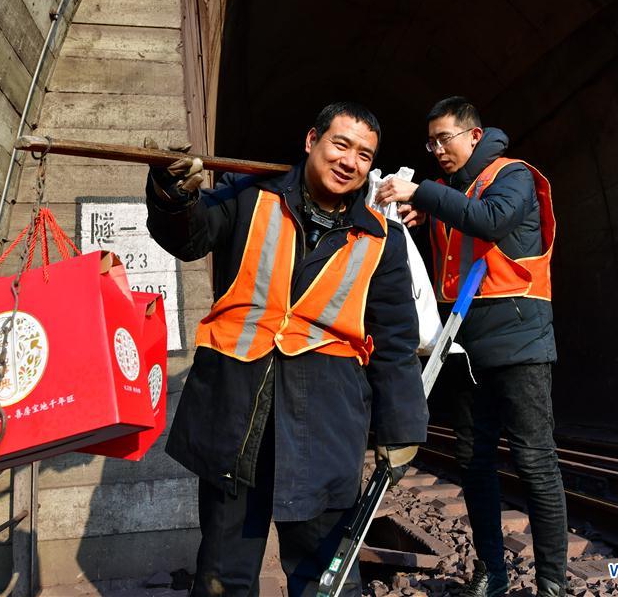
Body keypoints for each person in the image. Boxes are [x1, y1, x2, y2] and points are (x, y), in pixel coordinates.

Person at [146, 102, 428, 597]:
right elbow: (189, 236)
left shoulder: (381, 240)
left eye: (364, 155)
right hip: (237, 415)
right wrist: (172, 194)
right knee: (223, 574)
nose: (350, 162)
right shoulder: (248, 195)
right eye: (340, 145)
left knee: (323, 576)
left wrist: (401, 426)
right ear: (311, 141)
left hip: (325, 423)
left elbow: (395, 340)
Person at [375, 97, 566, 597]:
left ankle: (552, 584)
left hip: (520, 341)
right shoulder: (449, 193)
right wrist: (424, 210)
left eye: (445, 138)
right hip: (462, 344)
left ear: (474, 135)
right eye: (431, 142)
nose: (438, 149)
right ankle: (492, 572)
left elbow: (490, 220)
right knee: (474, 461)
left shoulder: (512, 175)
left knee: (535, 462)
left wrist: (425, 194)